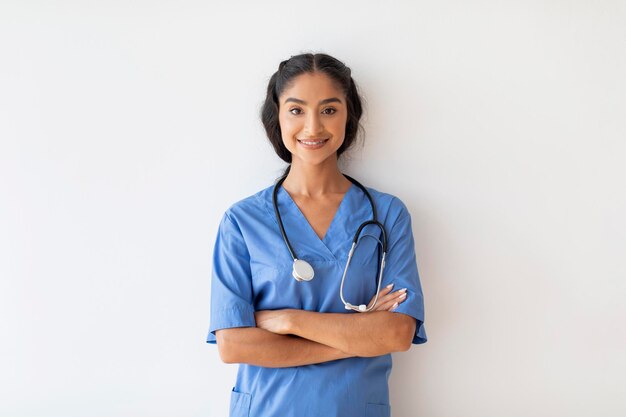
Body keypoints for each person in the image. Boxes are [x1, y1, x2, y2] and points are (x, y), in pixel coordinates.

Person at [206, 52, 427, 417]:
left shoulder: (387, 215)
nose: (312, 127)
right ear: (276, 117)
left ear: (348, 115)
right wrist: (358, 336)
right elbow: (234, 345)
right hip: (268, 408)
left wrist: (289, 320)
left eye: (329, 110)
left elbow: (396, 334)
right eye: (296, 110)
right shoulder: (243, 221)